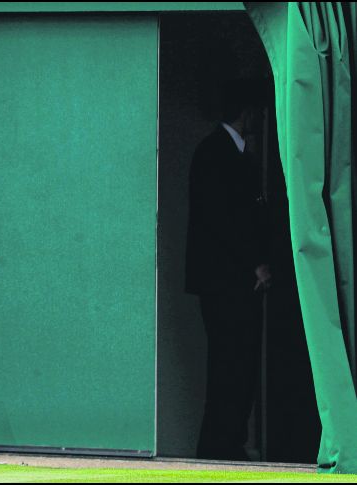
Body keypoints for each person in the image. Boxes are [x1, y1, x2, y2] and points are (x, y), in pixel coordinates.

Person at [185, 81, 272, 461]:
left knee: (236, 364)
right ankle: (219, 447)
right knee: (229, 365)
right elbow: (223, 219)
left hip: (230, 282)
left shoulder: (223, 154)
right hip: (227, 283)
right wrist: (256, 262)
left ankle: (225, 445)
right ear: (246, 112)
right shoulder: (216, 154)